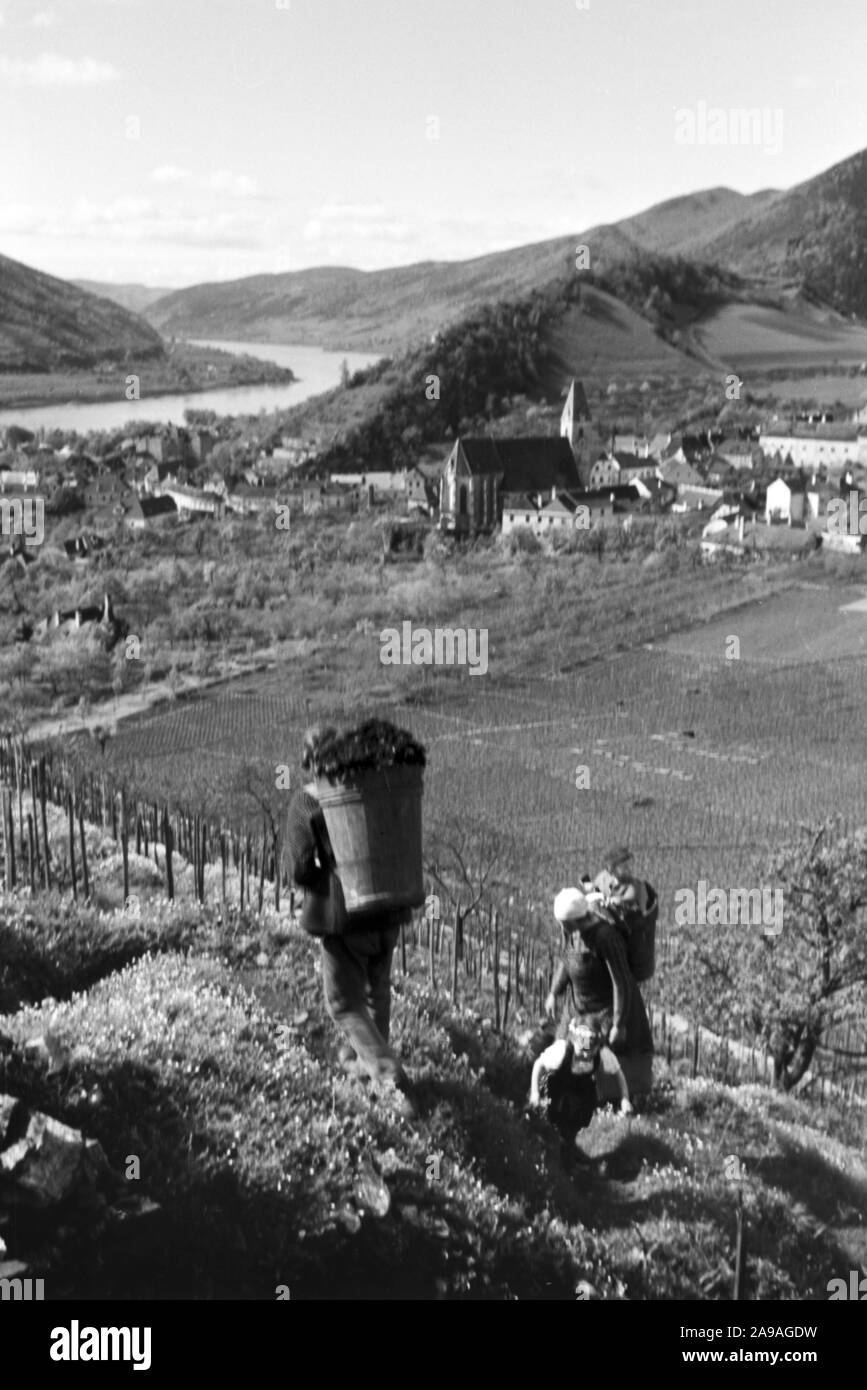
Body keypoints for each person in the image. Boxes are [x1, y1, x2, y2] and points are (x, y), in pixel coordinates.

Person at [286, 728, 419, 1119]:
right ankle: (366, 1065)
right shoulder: (376, 790)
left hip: (344, 918)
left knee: (343, 1002)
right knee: (377, 991)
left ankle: (389, 1077)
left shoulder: (307, 803)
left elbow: (296, 867)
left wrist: (322, 884)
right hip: (388, 909)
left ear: (309, 762)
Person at [544, 886, 653, 1101]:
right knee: (566, 1050)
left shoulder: (606, 937)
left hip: (604, 1010)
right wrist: (553, 992)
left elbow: (620, 981)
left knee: (605, 1059)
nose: (561, 927)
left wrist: (619, 1024)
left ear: (574, 920)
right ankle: (566, 1095)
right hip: (577, 1007)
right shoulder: (573, 932)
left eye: (563, 923)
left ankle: (610, 1101)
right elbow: (567, 961)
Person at [529, 1014, 633, 1150]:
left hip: (581, 1088)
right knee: (557, 1117)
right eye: (582, 1051)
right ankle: (554, 1151)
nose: (585, 1055)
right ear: (574, 1041)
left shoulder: (601, 1053)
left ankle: (570, 1149)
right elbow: (539, 1064)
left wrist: (625, 1098)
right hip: (558, 1086)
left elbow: (618, 1072)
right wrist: (535, 1092)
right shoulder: (561, 1050)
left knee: (578, 1117)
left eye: (590, 1052)